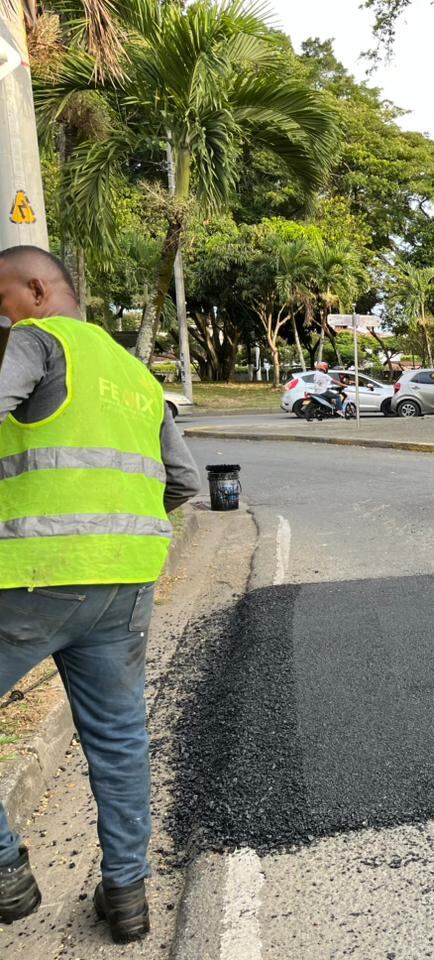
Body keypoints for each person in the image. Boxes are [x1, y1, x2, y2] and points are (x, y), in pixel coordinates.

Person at [0, 246, 200, 942]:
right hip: (126, 584)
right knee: (118, 740)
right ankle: (127, 897)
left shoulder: (37, 341)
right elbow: (183, 481)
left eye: (1, 301)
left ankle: (5, 873)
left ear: (35, 289)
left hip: (33, 578)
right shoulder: (136, 374)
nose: (2, 317)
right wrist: (120, 530)